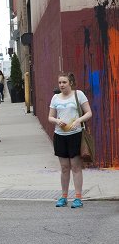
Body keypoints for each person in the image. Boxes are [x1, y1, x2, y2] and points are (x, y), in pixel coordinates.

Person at [48, 72, 92, 208]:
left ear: (70, 83)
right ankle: (64, 196)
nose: (61, 85)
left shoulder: (78, 95)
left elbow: (89, 112)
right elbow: (50, 117)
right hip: (60, 136)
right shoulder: (55, 98)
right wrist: (57, 120)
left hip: (75, 135)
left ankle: (78, 198)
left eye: (64, 82)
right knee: (64, 167)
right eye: (60, 82)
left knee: (76, 167)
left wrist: (79, 120)